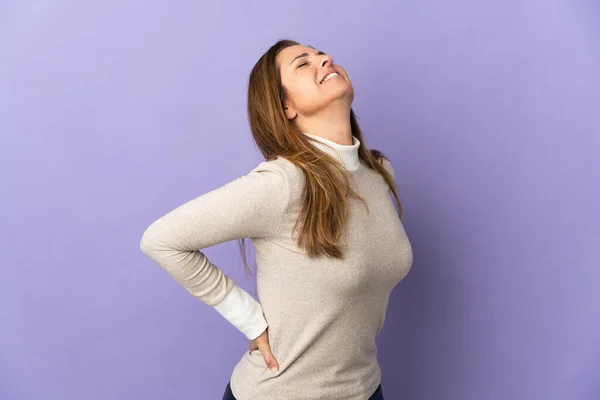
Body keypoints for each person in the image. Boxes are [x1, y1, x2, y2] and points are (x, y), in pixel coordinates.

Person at [139, 39, 413, 400]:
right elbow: (161, 239)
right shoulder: (284, 184)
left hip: (364, 389)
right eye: (303, 63)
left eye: (321, 54)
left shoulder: (378, 173)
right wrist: (248, 319)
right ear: (285, 108)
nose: (324, 59)